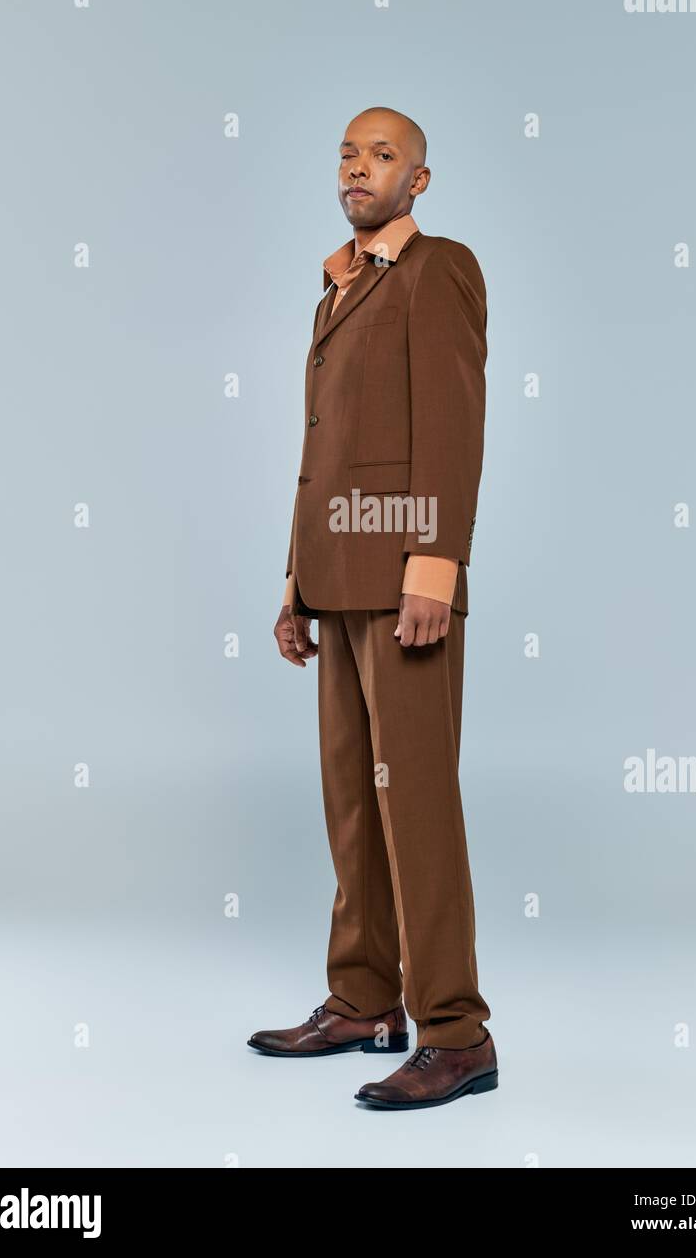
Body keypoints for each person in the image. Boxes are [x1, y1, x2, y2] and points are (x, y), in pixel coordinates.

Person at [248, 107, 497, 1110]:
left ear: (420, 180)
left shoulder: (439, 271)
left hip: (404, 586)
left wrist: (434, 564)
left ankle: (456, 1032)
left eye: (383, 155)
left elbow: (450, 422)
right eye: (348, 154)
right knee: (353, 798)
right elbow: (323, 453)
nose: (360, 168)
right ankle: (362, 1000)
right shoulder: (338, 291)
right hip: (337, 577)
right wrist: (294, 580)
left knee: (416, 804)